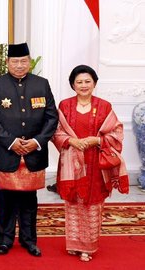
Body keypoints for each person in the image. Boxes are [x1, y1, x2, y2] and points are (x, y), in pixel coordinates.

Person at [0, 43, 58, 257]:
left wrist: (36, 141)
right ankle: (4, 240)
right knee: (4, 200)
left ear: (30, 62)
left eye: (23, 61)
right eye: (14, 61)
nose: (19, 65)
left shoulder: (41, 84)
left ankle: (29, 240)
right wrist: (11, 141)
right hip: (6, 151)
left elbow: (52, 117)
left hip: (34, 152)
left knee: (29, 200)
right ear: (7, 63)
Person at [52, 65, 129, 262]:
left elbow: (117, 132)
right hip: (71, 162)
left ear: (94, 83)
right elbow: (56, 131)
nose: (83, 85)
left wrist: (97, 140)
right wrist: (72, 141)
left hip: (96, 162)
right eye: (79, 82)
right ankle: (74, 243)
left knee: (92, 204)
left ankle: (88, 247)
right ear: (72, 85)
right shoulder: (65, 105)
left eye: (87, 81)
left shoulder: (104, 106)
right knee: (73, 202)